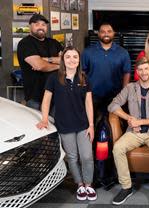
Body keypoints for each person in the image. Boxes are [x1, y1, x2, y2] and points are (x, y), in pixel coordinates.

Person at [36, 46, 97, 201]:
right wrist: (44, 119)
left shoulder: (84, 78)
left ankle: (88, 184)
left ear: (79, 60)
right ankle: (80, 185)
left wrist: (91, 125)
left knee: (87, 156)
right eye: (68, 56)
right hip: (64, 125)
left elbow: (89, 103)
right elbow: (46, 100)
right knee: (72, 157)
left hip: (83, 124)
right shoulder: (54, 78)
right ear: (63, 60)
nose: (71, 59)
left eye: (75, 57)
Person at [108, 57, 149, 207]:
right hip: (134, 132)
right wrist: (129, 118)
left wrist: (140, 122)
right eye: (140, 69)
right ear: (137, 72)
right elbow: (112, 105)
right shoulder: (130, 88)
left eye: (146, 69)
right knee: (117, 148)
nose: (143, 72)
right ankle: (126, 187)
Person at [82, 22, 131, 121]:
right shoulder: (87, 52)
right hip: (93, 95)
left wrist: (124, 92)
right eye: (103, 32)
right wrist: (84, 92)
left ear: (114, 33)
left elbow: (127, 73)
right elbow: (82, 72)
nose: (106, 34)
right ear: (98, 34)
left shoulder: (123, 52)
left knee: (113, 124)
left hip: (115, 96)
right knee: (91, 122)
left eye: (109, 31)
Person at [17, 14, 63, 110]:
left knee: (55, 124)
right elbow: (39, 66)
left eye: (43, 24)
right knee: (37, 124)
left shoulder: (54, 42)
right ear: (30, 26)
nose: (41, 27)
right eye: (37, 24)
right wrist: (60, 66)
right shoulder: (25, 44)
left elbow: (66, 59)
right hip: (35, 97)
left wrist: (47, 59)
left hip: (56, 94)